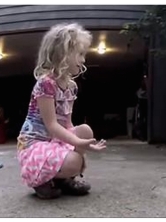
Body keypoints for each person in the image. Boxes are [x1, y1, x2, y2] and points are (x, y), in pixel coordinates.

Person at [16, 23, 106, 199]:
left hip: (54, 140)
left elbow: (67, 124)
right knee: (75, 161)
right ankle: (41, 181)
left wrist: (79, 142)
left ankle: (64, 179)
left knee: (85, 131)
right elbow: (52, 126)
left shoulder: (71, 87)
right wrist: (78, 145)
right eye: (80, 54)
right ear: (62, 54)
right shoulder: (46, 83)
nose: (83, 60)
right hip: (34, 144)